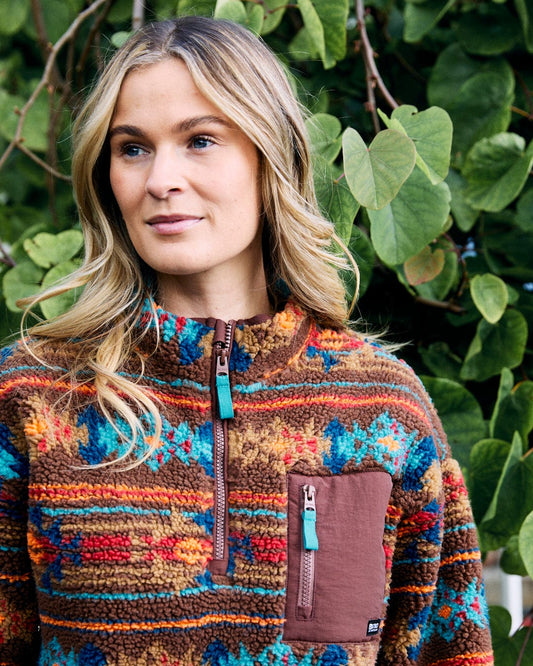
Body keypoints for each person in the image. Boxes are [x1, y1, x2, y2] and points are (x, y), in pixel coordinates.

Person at [0, 15, 494, 666]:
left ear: (271, 156)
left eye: (200, 140)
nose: (159, 180)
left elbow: (446, 649)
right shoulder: (34, 396)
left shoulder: (381, 406)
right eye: (132, 148)